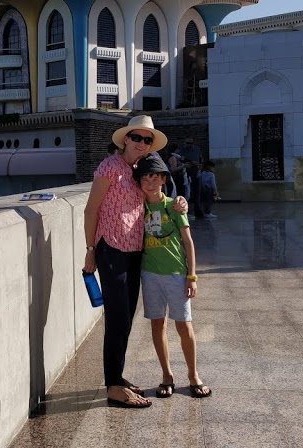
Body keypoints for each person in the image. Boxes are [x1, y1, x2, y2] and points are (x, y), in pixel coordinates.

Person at [83, 115, 187, 409]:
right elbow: (91, 210)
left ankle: (117, 376)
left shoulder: (140, 170)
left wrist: (180, 202)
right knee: (117, 318)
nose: (142, 143)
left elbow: (157, 197)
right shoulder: (109, 167)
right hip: (111, 249)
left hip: (134, 250)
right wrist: (90, 249)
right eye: (137, 137)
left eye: (147, 140)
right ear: (126, 139)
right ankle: (113, 387)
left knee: (126, 317)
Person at [134, 155, 211, 399]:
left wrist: (192, 276)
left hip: (176, 274)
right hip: (150, 274)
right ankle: (166, 375)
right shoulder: (138, 208)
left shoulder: (175, 206)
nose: (150, 183)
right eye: (145, 179)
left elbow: (188, 242)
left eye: (155, 178)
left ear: (164, 180)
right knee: (158, 324)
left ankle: (193, 375)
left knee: (184, 325)